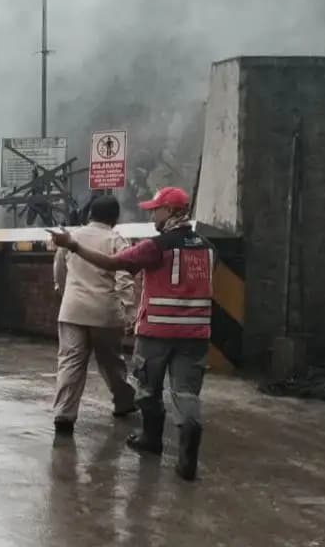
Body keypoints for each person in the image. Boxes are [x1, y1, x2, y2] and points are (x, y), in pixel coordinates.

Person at [49, 186, 213, 481]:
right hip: (189, 331)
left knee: (137, 384)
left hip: (144, 327)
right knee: (171, 386)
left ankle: (71, 416)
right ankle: (177, 432)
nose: (152, 214)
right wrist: (125, 310)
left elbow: (106, 266)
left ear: (172, 211)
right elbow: (124, 278)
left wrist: (69, 264)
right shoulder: (207, 247)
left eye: (156, 209)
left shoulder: (154, 246)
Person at [51, 195, 137, 434]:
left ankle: (64, 415)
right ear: (115, 218)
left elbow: (59, 269)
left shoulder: (72, 238)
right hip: (104, 313)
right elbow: (124, 278)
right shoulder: (116, 239)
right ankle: (124, 403)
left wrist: (64, 291)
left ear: (89, 215)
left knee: (70, 362)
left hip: (72, 310)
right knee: (111, 363)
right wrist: (129, 311)